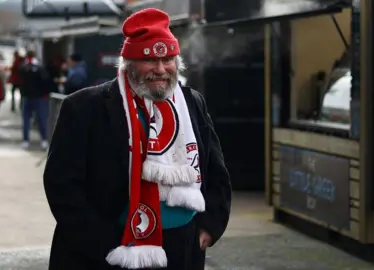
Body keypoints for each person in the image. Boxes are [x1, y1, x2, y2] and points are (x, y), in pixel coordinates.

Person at [43, 8, 232, 270]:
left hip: (181, 246)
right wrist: (103, 245)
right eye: (149, 61)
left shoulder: (191, 103)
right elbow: (62, 184)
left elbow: (215, 169)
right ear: (129, 65)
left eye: (167, 59)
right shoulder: (84, 107)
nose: (160, 69)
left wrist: (210, 226)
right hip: (113, 248)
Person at [18, 50, 49, 150]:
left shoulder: (36, 67)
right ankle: (41, 140)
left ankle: (31, 140)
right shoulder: (26, 67)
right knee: (38, 119)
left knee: (35, 120)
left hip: (33, 97)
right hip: (33, 97)